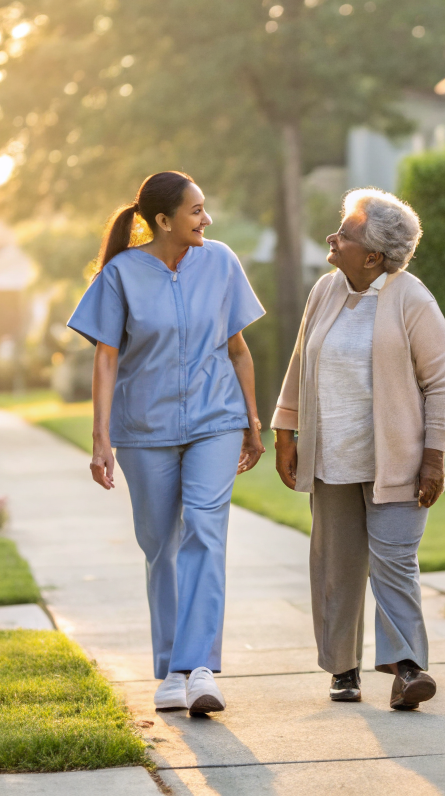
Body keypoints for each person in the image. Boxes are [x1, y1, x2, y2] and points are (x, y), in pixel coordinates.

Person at [68, 171, 265, 716]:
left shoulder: (221, 261)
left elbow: (239, 349)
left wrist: (252, 420)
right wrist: (101, 438)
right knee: (161, 545)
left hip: (214, 420)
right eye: (196, 210)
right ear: (163, 220)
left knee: (205, 528)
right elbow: (105, 357)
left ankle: (196, 668)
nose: (207, 219)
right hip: (144, 430)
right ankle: (171, 665)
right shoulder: (121, 275)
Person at [272, 188, 445, 710]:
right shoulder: (326, 290)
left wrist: (434, 456)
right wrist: (286, 431)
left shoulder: (413, 300)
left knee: (395, 563)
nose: (334, 237)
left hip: (395, 460)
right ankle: (343, 668)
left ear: (373, 255)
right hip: (332, 456)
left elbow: (441, 384)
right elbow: (299, 361)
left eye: (345, 234)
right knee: (337, 564)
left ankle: (407, 669)